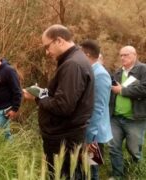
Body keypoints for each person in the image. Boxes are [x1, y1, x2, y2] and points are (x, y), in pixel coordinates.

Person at [23, 24, 94, 179]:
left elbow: (63, 106)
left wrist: (37, 97)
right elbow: (63, 96)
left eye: (47, 47)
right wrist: (42, 92)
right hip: (66, 137)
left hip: (64, 140)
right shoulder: (73, 60)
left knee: (63, 175)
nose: (47, 52)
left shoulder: (72, 64)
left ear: (59, 40)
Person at [108, 46, 146, 178]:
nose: (123, 58)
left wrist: (122, 91)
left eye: (126, 55)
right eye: (121, 55)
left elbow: (144, 89)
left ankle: (136, 173)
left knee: (134, 150)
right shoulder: (117, 72)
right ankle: (117, 175)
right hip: (116, 118)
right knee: (113, 147)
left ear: (135, 55)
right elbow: (112, 92)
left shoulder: (143, 69)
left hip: (135, 119)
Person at [80, 40, 112, 180]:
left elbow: (97, 108)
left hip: (93, 134)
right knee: (85, 169)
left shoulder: (100, 75)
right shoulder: (90, 71)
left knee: (92, 171)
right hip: (88, 131)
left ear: (86, 55)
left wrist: (90, 138)